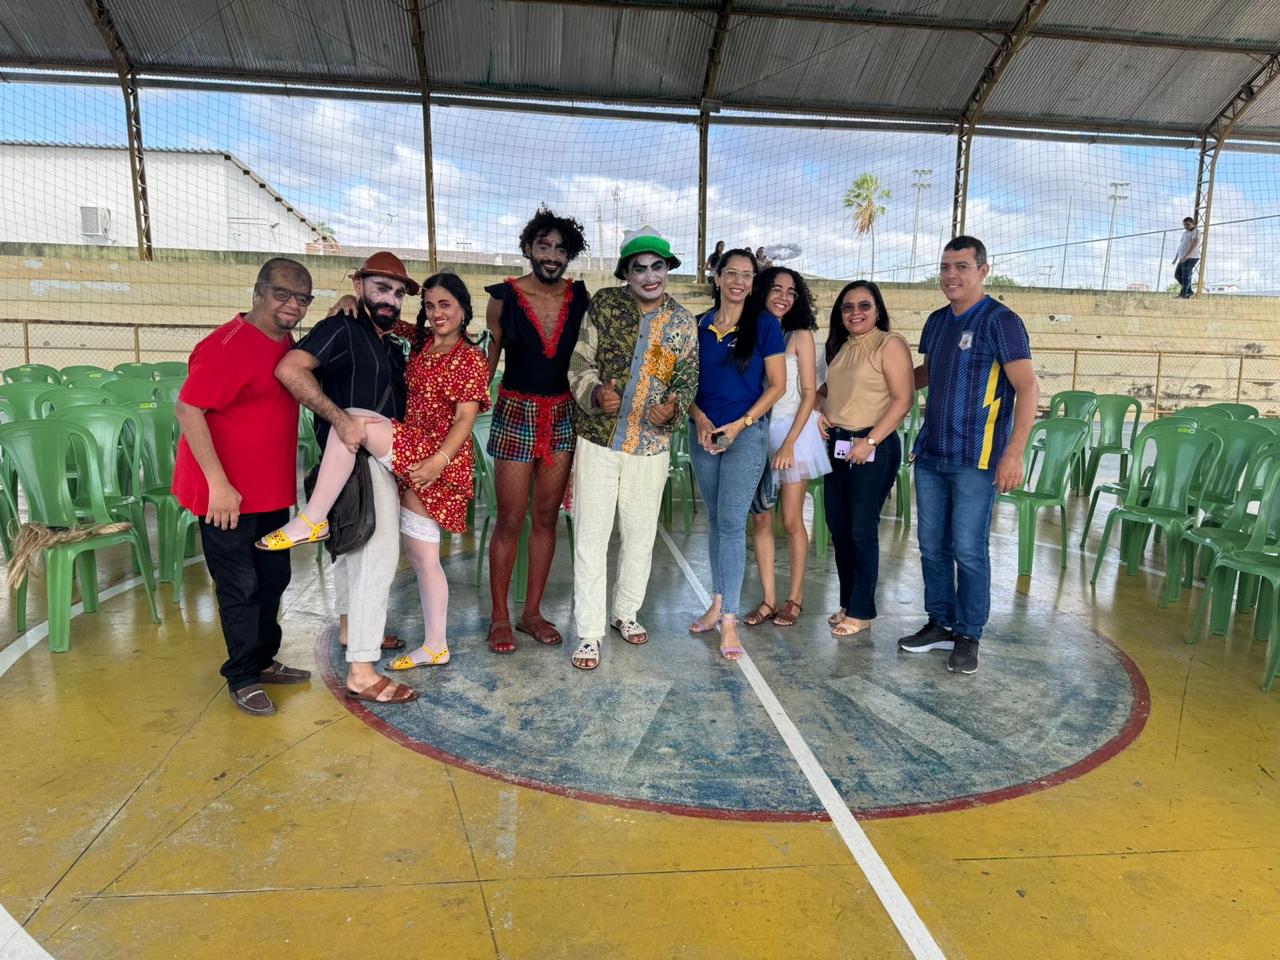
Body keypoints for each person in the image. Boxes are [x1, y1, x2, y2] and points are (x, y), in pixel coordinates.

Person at [260, 274, 489, 672]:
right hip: (412, 450)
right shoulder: (422, 340)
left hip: (436, 456)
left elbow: (464, 419)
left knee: (353, 420)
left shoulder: (469, 357)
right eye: (430, 305)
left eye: (446, 305)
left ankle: (312, 519)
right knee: (422, 557)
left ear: (464, 310)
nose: (437, 313)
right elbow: (380, 317)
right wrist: (347, 298)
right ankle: (436, 645)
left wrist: (438, 461)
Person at [273, 251, 420, 705]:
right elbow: (289, 369)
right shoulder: (342, 327)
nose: (390, 299)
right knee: (377, 555)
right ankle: (362, 670)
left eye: (398, 293)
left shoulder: (386, 338)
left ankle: (349, 630)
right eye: (381, 288)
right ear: (359, 286)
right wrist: (340, 419)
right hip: (357, 455)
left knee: (351, 548)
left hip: (367, 458)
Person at [173, 258, 314, 716]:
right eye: (282, 294)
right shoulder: (226, 346)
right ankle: (242, 676)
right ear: (258, 292)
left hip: (269, 490)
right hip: (225, 495)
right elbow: (188, 409)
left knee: (274, 578)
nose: (292, 305)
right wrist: (218, 484)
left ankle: (263, 660)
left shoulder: (285, 342)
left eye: (302, 298)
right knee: (240, 585)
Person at [898, 236, 1039, 675]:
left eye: (961, 266)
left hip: (976, 459)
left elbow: (1028, 388)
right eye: (945, 267)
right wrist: (875, 383)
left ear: (982, 271)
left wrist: (1014, 454)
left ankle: (968, 633)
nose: (951, 275)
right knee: (931, 546)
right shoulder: (937, 322)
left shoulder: (1002, 321)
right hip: (932, 454)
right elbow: (926, 373)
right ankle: (940, 622)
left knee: (968, 549)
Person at [566, 227, 699, 670]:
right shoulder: (604, 305)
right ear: (626, 273)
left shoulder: (682, 323)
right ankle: (589, 632)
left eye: (657, 266)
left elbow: (686, 382)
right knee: (591, 537)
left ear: (667, 270)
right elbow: (580, 361)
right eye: (639, 268)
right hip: (598, 441)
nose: (649, 276)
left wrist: (672, 411)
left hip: (650, 446)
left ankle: (625, 612)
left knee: (640, 536)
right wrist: (594, 392)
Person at [484, 208, 591, 654]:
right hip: (515, 412)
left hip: (563, 414)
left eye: (560, 249)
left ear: (569, 255)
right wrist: (466, 408)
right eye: (543, 246)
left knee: (546, 517)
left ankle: (531, 614)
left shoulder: (581, 297)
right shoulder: (502, 298)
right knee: (510, 519)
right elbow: (488, 360)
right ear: (528, 248)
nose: (551, 255)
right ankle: (499, 618)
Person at [688, 248, 787, 660]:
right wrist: (699, 420)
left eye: (747, 275)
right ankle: (717, 602)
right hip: (704, 433)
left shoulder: (764, 326)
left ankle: (729, 619)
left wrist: (741, 424)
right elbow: (682, 384)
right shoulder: (697, 325)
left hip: (744, 434)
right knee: (715, 520)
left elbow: (777, 385)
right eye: (731, 273)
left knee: (731, 524)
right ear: (717, 277)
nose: (739, 281)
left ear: (752, 283)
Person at [817, 281, 913, 638]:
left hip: (873, 445)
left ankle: (861, 611)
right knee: (839, 528)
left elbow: (903, 399)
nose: (855, 313)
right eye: (848, 307)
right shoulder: (842, 347)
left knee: (861, 529)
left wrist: (870, 440)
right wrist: (819, 409)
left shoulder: (889, 344)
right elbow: (828, 391)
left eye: (864, 306)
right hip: (839, 444)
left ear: (877, 310)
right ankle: (847, 602)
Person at [742, 267, 830, 629]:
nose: (783, 297)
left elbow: (809, 393)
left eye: (791, 292)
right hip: (757, 431)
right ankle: (768, 599)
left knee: (791, 520)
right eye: (776, 289)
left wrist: (790, 443)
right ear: (762, 290)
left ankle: (795, 597)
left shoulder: (800, 335)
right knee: (761, 519)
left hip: (794, 432)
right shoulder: (753, 331)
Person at [1173, 216, 1200, 299]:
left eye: (1187, 224)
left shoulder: (1196, 232)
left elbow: (1194, 245)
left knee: (1185, 276)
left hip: (1191, 258)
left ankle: (1183, 295)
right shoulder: (1185, 233)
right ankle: (1189, 292)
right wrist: (1176, 257)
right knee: (1177, 275)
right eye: (1184, 225)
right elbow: (1181, 245)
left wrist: (1187, 256)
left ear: (1193, 224)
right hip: (1182, 257)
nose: (1185, 226)